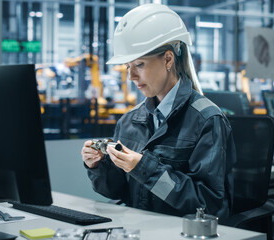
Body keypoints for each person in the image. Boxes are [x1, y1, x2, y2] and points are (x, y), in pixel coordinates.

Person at [81, 3, 236, 220]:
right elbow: (117, 192)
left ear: (168, 59)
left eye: (140, 65)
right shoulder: (129, 121)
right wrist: (99, 166)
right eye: (128, 67)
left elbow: (208, 205)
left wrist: (144, 168)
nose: (131, 76)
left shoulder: (206, 120)